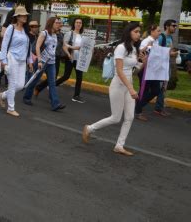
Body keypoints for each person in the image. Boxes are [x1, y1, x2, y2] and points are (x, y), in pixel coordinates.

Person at [83, 22, 147, 156]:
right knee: (116, 118)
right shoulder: (120, 48)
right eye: (136, 31)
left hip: (128, 84)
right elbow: (119, 71)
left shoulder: (134, 49)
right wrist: (131, 89)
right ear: (129, 32)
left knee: (129, 117)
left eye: (139, 32)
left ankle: (119, 145)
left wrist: (142, 61)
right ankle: (90, 128)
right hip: (118, 85)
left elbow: (133, 71)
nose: (138, 34)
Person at [0, 6, 33, 117]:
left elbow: (28, 47)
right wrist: (3, 61)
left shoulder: (26, 30)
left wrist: (30, 61)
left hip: (22, 60)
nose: (25, 17)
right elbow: (4, 45)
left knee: (21, 85)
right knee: (12, 84)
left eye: (26, 15)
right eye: (23, 15)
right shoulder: (10, 28)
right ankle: (11, 108)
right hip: (12, 58)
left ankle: (3, 95)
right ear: (17, 17)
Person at [25, 17, 66, 111]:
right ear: (51, 23)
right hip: (42, 62)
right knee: (34, 80)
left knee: (52, 83)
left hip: (51, 62)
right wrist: (39, 60)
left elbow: (57, 47)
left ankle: (55, 104)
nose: (59, 24)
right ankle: (27, 97)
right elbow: (38, 47)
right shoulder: (44, 33)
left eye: (60, 23)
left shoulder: (56, 35)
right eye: (57, 23)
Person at [50, 17, 85, 103]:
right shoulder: (69, 34)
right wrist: (69, 55)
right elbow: (64, 46)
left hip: (79, 60)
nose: (78, 24)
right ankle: (53, 86)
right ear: (74, 24)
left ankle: (76, 96)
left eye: (80, 23)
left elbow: (84, 48)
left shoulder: (83, 36)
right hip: (70, 58)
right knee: (66, 76)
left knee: (79, 78)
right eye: (77, 22)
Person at [154, 19, 179, 117]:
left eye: (176, 26)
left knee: (163, 87)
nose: (175, 27)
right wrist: (171, 53)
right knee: (161, 87)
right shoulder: (161, 37)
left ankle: (158, 107)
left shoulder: (170, 38)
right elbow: (156, 51)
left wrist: (174, 53)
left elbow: (169, 51)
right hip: (161, 66)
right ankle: (158, 108)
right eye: (173, 25)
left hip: (167, 65)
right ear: (167, 26)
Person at [22, 20, 40, 105]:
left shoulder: (38, 36)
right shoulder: (26, 36)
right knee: (30, 77)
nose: (37, 28)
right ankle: (26, 97)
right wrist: (31, 56)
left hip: (35, 59)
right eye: (35, 27)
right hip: (28, 58)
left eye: (37, 27)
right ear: (31, 28)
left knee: (30, 77)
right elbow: (25, 47)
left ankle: (26, 93)